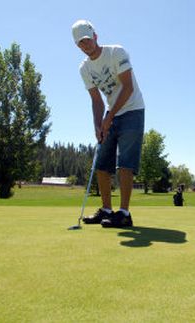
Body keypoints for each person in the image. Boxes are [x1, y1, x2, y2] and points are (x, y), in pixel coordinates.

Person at [72, 20, 145, 227]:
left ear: (95, 36)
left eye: (86, 40)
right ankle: (106, 210)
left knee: (125, 163)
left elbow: (128, 87)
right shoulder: (84, 68)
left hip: (132, 110)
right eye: (80, 44)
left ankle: (123, 213)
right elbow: (96, 99)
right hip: (111, 113)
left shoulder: (116, 52)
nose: (84, 46)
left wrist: (109, 117)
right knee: (102, 164)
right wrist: (98, 126)